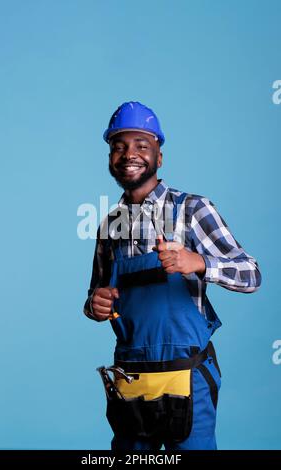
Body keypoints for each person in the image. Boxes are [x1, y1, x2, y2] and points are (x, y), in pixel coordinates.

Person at [83, 101, 261, 450]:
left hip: (186, 376)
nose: (128, 154)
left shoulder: (192, 209)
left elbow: (251, 274)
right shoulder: (109, 226)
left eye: (141, 146)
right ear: (109, 158)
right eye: (118, 147)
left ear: (159, 158)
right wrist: (95, 305)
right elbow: (95, 298)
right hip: (131, 381)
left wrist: (199, 263)